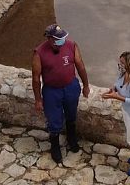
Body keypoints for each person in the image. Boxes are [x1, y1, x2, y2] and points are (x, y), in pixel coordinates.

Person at [32, 24, 91, 163]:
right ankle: (55, 145)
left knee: (71, 115)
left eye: (63, 38)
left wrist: (86, 85)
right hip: (52, 91)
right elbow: (35, 78)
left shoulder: (72, 46)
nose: (62, 41)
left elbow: (80, 66)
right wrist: (38, 99)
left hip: (71, 87)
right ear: (50, 39)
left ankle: (71, 138)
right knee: (54, 120)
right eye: (58, 39)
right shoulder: (39, 53)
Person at [101, 51, 130, 177]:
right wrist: (114, 90)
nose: (119, 64)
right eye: (120, 61)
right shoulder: (123, 73)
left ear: (129, 64)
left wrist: (116, 97)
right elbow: (119, 84)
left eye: (122, 62)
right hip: (127, 111)